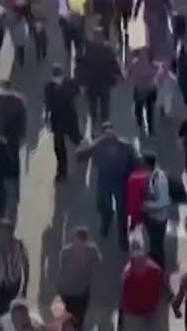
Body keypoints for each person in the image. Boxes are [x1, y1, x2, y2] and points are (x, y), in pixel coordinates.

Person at [77, 122, 138, 250]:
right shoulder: (98, 146)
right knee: (103, 206)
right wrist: (95, 142)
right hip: (104, 182)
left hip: (121, 183)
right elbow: (80, 156)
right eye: (106, 133)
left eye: (111, 132)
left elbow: (135, 164)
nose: (109, 135)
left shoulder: (126, 147)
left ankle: (123, 239)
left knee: (122, 213)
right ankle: (106, 222)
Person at [57, 226, 103, 328]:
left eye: (82, 242)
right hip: (67, 292)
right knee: (67, 318)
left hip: (81, 291)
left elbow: (99, 264)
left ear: (86, 241)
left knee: (79, 317)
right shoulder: (66, 252)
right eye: (77, 241)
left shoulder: (91, 250)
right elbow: (61, 271)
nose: (79, 245)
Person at [119, 237, 167, 331]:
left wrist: (123, 312)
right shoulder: (155, 269)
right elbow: (161, 288)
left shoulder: (127, 273)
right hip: (150, 309)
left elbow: (124, 295)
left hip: (134, 312)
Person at [44, 64, 83, 181]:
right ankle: (62, 172)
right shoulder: (50, 87)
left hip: (68, 117)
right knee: (59, 146)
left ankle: (87, 152)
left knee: (75, 138)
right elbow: (48, 102)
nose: (56, 78)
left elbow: (77, 92)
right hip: (59, 118)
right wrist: (46, 115)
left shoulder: (68, 84)